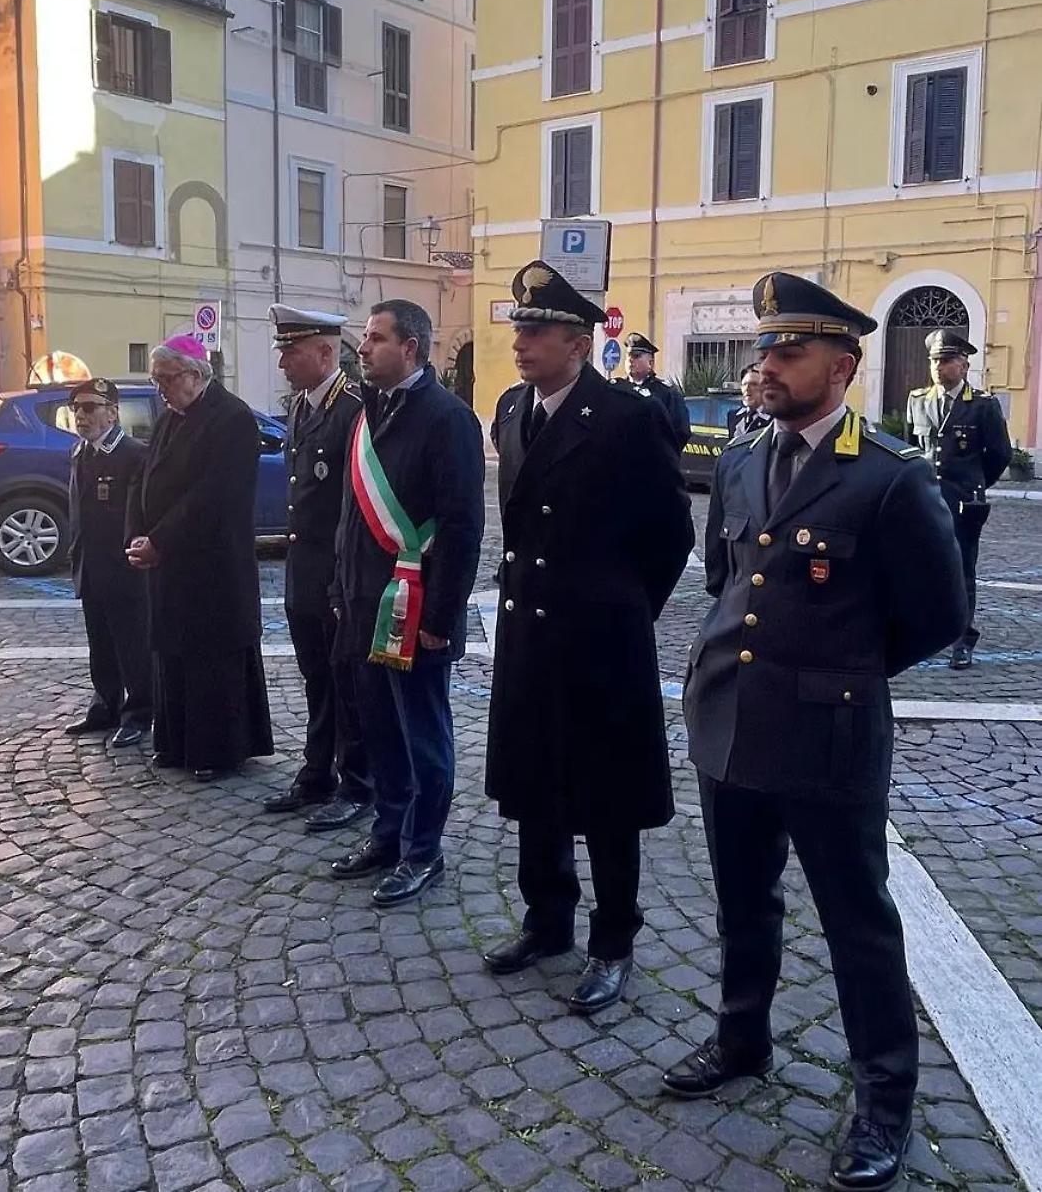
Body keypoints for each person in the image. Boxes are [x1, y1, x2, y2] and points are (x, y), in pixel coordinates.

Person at [664, 273, 967, 1192]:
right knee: (741, 901)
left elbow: (937, 616)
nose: (767, 364)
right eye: (766, 348)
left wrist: (843, 674)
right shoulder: (746, 459)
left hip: (828, 738)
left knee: (858, 924)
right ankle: (742, 1035)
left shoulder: (888, 475)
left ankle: (884, 1098)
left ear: (842, 364)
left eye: (788, 350)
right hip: (733, 721)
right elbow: (728, 577)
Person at [483, 263, 694, 1014]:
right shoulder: (513, 411)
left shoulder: (626, 418)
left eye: (535, 330)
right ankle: (547, 919)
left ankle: (613, 940)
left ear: (577, 343)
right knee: (534, 786)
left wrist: (622, 607)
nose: (520, 342)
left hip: (600, 641)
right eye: (518, 328)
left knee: (607, 800)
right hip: (529, 635)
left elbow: (671, 533)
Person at [329, 300, 484, 906]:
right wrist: (341, 593)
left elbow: (462, 526)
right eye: (365, 339)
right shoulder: (368, 411)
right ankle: (388, 833)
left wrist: (441, 620)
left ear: (411, 348)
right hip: (366, 604)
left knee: (422, 735)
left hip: (417, 612)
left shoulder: (448, 419)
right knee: (381, 731)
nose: (362, 348)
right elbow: (350, 516)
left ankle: (424, 850)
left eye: (374, 339)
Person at [126, 335, 274, 781]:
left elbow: (213, 497)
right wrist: (137, 532)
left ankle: (218, 750)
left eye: (166, 379)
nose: (161, 389)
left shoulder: (231, 418)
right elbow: (143, 477)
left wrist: (163, 540)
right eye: (156, 381)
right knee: (172, 654)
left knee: (211, 659)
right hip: (170, 564)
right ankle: (175, 742)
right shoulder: (174, 414)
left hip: (212, 566)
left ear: (194, 374)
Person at [262, 304, 370, 829]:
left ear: (326, 352)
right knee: (315, 677)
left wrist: (338, 579)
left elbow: (354, 501)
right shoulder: (301, 407)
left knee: (347, 681)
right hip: (304, 566)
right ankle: (316, 772)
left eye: (292, 350)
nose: (283, 360)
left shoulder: (353, 408)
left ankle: (357, 783)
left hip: (337, 570)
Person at [905, 330, 1011, 670]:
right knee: (921, 565)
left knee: (963, 568)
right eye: (935, 360)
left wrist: (975, 484)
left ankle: (963, 640)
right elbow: (911, 448)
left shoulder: (982, 405)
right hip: (925, 499)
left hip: (964, 502)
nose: (939, 367)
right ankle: (925, 631)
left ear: (964, 366)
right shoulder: (918, 399)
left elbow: (999, 454)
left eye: (947, 360)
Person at [62, 378, 151, 749]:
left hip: (123, 566)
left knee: (133, 644)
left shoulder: (132, 454)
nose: (82, 416)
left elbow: (140, 514)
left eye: (90, 408)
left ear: (112, 413)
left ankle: (140, 712)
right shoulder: (80, 452)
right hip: (92, 564)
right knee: (99, 643)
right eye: (77, 409)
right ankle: (106, 704)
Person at [617, 332, 690, 451]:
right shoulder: (618, 391)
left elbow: (681, 432)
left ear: (650, 363)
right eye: (628, 356)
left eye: (636, 356)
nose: (630, 360)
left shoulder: (667, 393)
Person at [726, 363, 771, 439]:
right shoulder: (733, 416)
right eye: (744, 384)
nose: (747, 389)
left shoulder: (774, 418)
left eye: (754, 384)